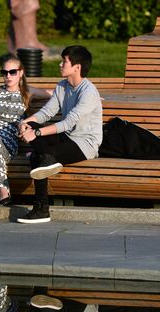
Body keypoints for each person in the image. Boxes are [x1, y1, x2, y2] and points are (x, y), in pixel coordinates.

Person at [17, 45, 103, 223]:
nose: (60, 64)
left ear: (77, 67)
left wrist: (37, 133)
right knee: (37, 142)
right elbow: (46, 113)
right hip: (67, 137)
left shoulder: (88, 92)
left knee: (37, 158)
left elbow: (68, 123)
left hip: (85, 144)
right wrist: (26, 123)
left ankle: (41, 210)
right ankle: (47, 160)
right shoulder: (62, 86)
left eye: (64, 61)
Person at [0, 55, 51, 221]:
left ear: (21, 73)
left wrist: (84, 96)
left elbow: (56, 93)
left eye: (12, 72)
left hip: (9, 136)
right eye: (4, 72)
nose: (8, 76)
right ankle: (1, 189)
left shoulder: (27, 92)